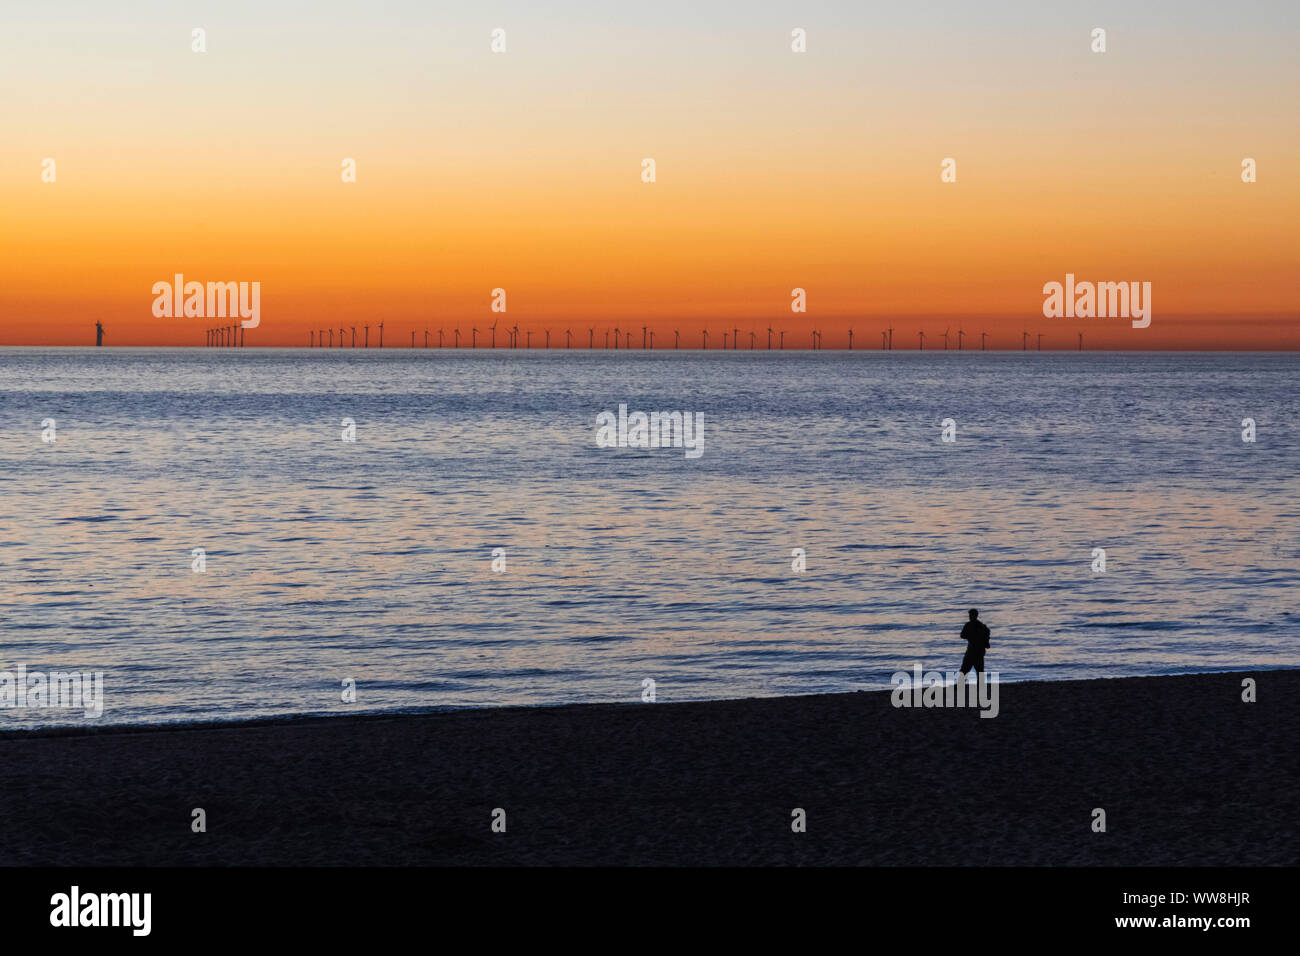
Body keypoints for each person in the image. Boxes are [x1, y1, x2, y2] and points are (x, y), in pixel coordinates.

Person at [959, 609, 990, 677]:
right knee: (974, 670)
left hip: (974, 651)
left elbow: (962, 635)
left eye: (971, 615)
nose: (969, 617)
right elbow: (962, 635)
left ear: (975, 616)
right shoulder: (980, 626)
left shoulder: (973, 625)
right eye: (969, 615)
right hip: (975, 650)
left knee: (968, 669)